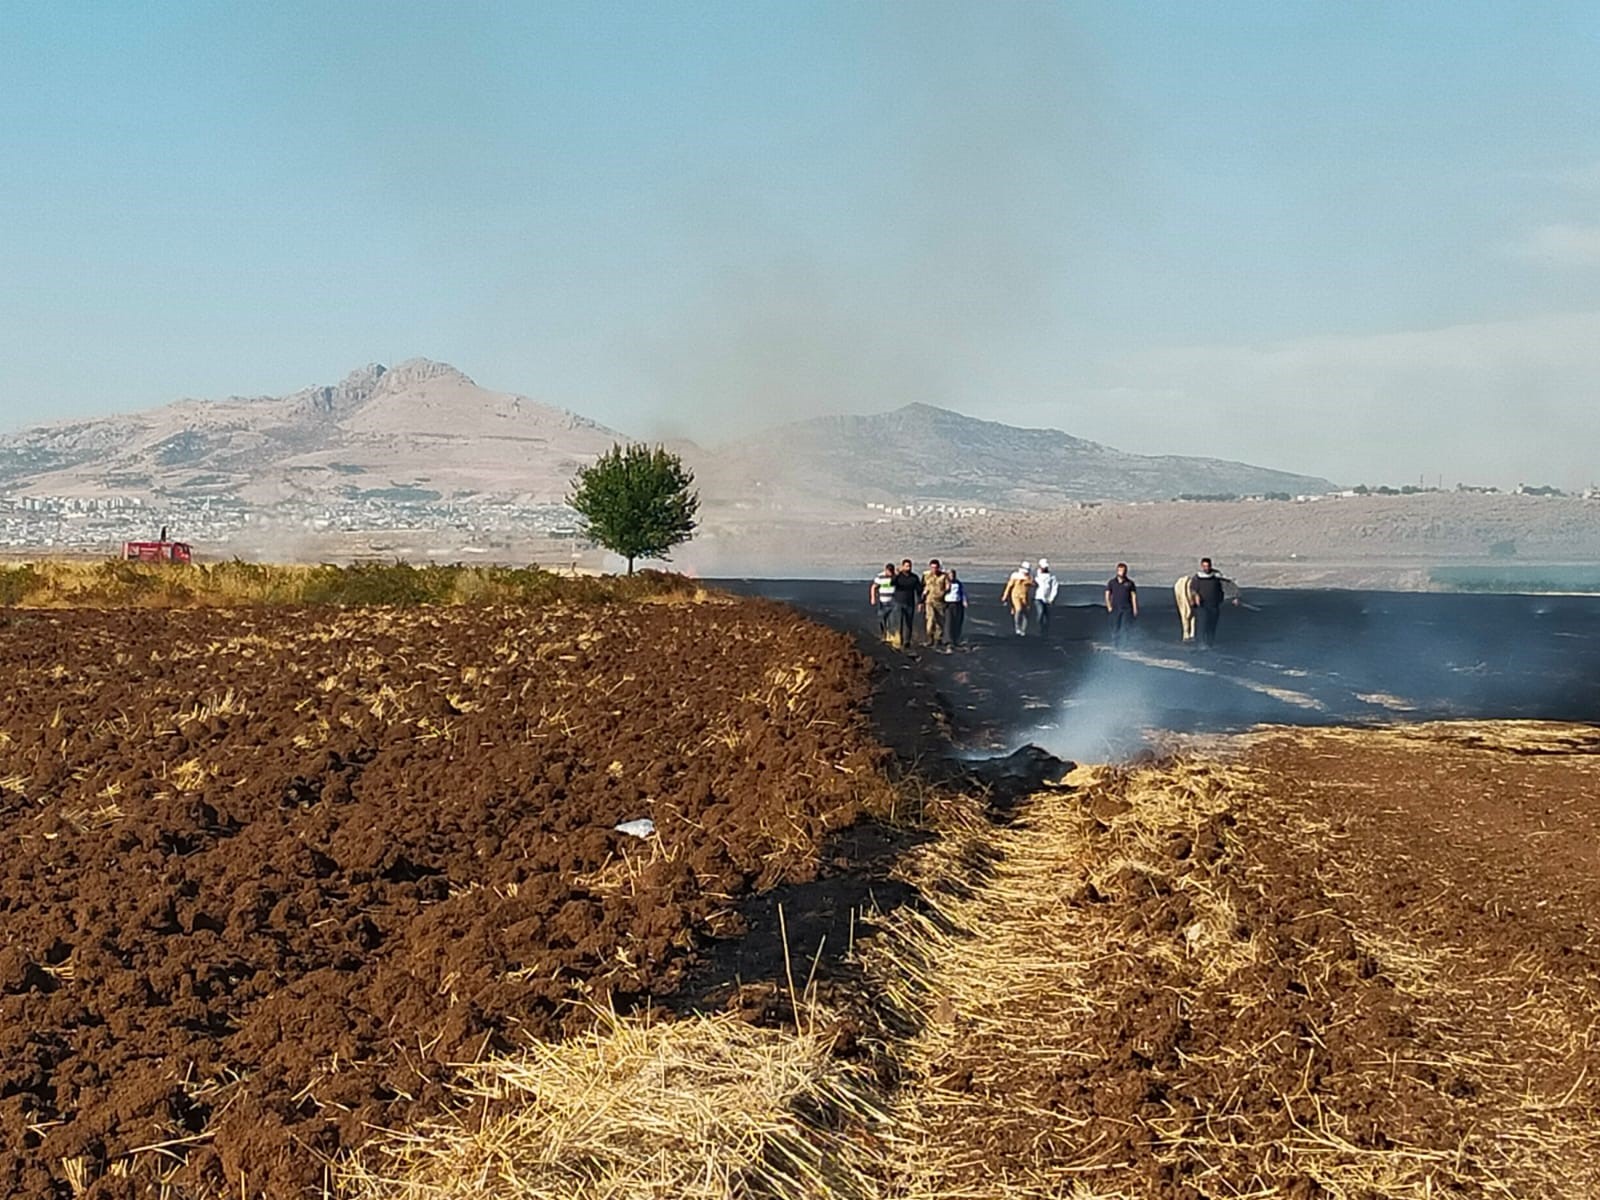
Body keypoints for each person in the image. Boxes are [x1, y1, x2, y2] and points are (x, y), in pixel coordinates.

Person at [1189, 557, 1229, 650]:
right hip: (1202, 606)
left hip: (1214, 605)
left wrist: (1233, 597)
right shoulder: (1197, 578)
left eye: (1208, 566)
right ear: (1202, 566)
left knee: (1212, 625)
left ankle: (1210, 643)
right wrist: (1196, 596)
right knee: (1202, 624)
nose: (1206, 568)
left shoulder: (1215, 577)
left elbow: (1224, 587)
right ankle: (1200, 644)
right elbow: (1192, 589)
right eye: (1204, 566)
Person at [890, 557, 923, 649]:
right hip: (898, 602)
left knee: (908, 622)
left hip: (910, 602)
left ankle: (907, 641)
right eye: (906, 566)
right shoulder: (898, 577)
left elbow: (918, 590)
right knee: (899, 622)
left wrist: (920, 602)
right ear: (903, 566)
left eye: (910, 566)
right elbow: (891, 583)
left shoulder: (914, 577)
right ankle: (898, 640)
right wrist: (896, 575)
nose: (908, 568)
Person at [921, 558, 952, 648]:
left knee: (939, 621)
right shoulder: (926, 575)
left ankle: (937, 639)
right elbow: (923, 586)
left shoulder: (943, 576)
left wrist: (943, 593)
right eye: (932, 567)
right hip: (929, 601)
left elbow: (948, 587)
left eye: (936, 568)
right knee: (930, 619)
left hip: (940, 601)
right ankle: (929, 638)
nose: (934, 569)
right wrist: (922, 598)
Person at [1104, 562, 1138, 645]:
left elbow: (1133, 596)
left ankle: (1127, 644)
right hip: (1115, 608)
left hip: (1127, 608)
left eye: (1124, 571)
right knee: (1116, 627)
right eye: (1120, 570)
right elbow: (1107, 594)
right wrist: (1109, 606)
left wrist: (1135, 608)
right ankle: (1116, 644)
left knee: (1127, 627)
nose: (1122, 572)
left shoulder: (1130, 583)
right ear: (1117, 571)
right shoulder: (1112, 582)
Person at [1001, 561, 1034, 637]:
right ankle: (1017, 628)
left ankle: (1023, 630)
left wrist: (1029, 582)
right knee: (1018, 609)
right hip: (1016, 595)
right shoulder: (1015, 576)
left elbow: (1033, 584)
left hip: (1025, 597)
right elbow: (1009, 586)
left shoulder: (1029, 577)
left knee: (1026, 613)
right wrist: (1005, 596)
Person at [870, 562, 897, 643]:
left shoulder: (895, 577)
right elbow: (874, 587)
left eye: (891, 571)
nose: (890, 573)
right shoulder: (880, 577)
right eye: (889, 571)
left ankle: (891, 636)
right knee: (882, 618)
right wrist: (873, 598)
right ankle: (883, 634)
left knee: (891, 620)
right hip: (882, 601)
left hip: (893, 601)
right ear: (886, 570)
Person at [1033, 557, 1060, 637]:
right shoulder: (1036, 576)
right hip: (1038, 597)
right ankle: (1039, 629)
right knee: (1040, 613)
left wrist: (1052, 598)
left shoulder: (1051, 577)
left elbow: (1054, 587)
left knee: (1046, 615)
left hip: (1047, 599)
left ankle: (1044, 631)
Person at [945, 568, 967, 647]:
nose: (952, 576)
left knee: (957, 622)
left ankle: (956, 639)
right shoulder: (945, 583)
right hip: (948, 604)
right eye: (950, 575)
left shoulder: (958, 583)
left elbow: (962, 592)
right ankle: (948, 640)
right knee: (949, 622)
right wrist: (947, 588)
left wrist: (964, 601)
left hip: (957, 603)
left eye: (953, 575)